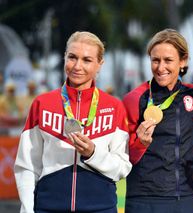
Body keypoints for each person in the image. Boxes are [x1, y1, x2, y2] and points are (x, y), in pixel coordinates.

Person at [14, 31, 132, 213]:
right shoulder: (42, 103)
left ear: (100, 64)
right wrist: (28, 210)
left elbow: (122, 168)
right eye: (72, 57)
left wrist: (93, 153)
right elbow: (27, 166)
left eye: (87, 60)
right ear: (64, 58)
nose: (77, 66)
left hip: (101, 209)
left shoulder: (114, 106)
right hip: (48, 208)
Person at [122, 28, 193, 213]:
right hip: (145, 198)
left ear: (183, 61)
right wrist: (141, 143)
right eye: (155, 60)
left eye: (168, 60)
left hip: (187, 196)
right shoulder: (134, 99)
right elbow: (123, 158)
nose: (160, 67)